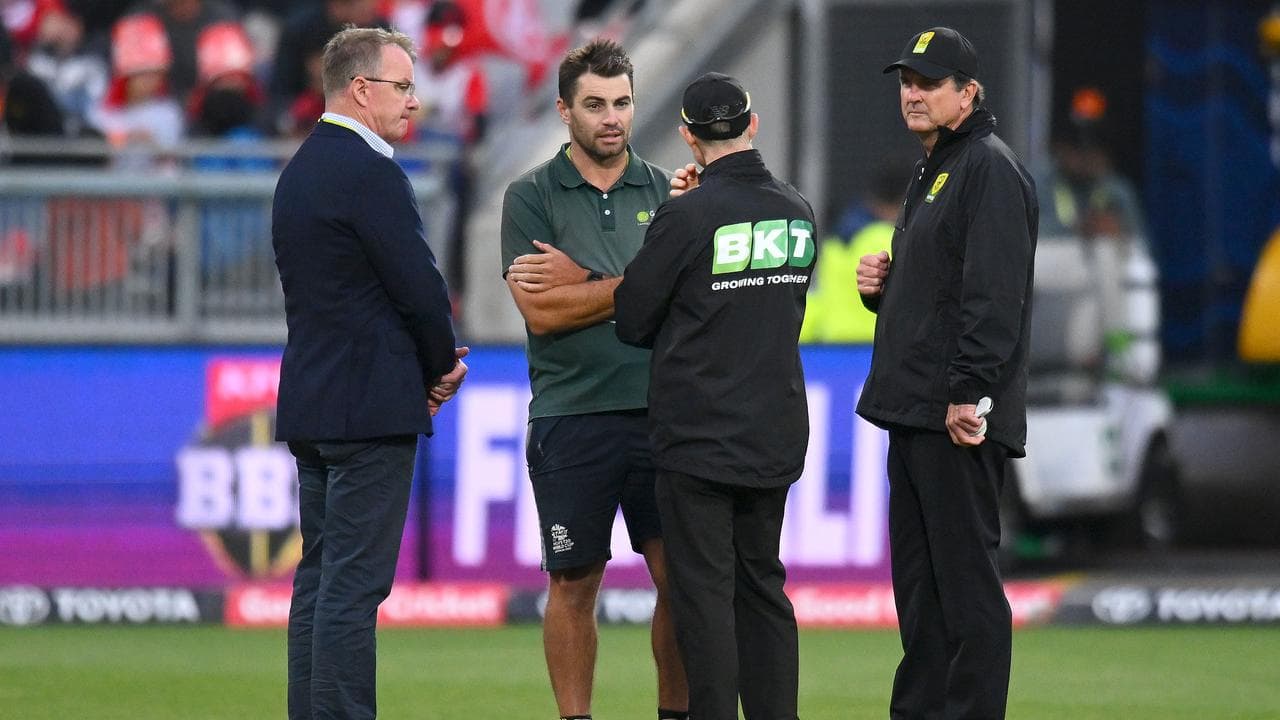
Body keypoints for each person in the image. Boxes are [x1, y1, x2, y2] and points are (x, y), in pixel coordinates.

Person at [272, 26, 467, 720]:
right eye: (403, 86)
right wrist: (443, 365)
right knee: (353, 589)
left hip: (313, 402)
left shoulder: (299, 170)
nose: (415, 102)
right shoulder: (370, 172)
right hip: (370, 408)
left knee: (321, 583)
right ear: (360, 89)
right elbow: (418, 285)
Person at [614, 71, 816, 720]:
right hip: (774, 428)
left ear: (689, 138)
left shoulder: (686, 214)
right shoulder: (797, 209)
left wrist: (674, 222)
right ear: (752, 125)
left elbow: (633, 318)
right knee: (763, 589)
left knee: (704, 598)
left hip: (699, 436)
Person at [500, 38, 688, 720]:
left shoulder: (670, 191)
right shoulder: (530, 197)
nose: (612, 117)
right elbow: (542, 311)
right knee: (574, 582)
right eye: (595, 105)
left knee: (679, 580)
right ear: (563, 111)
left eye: (622, 103)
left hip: (662, 414)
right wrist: (639, 284)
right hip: (571, 415)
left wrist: (587, 281)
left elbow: (687, 297)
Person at [856, 27, 1037, 720]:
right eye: (906, 81)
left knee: (965, 594)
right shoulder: (938, 166)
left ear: (969, 93)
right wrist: (885, 289)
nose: (912, 93)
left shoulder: (987, 167)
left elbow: (994, 296)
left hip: (952, 415)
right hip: (915, 409)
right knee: (923, 596)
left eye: (929, 82)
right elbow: (946, 286)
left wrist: (971, 395)